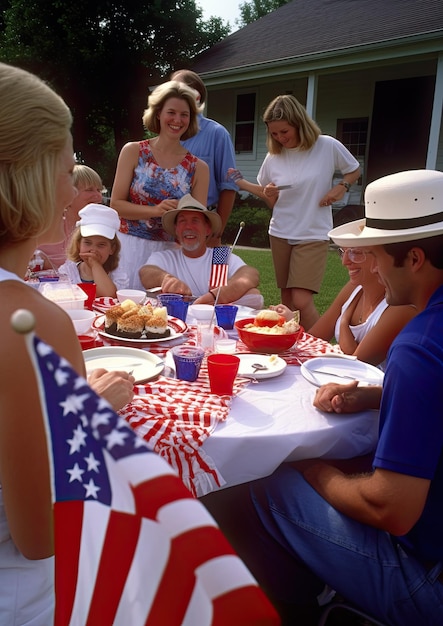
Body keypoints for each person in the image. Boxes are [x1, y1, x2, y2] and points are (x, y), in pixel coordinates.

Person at [201, 169, 443, 625]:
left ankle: (291, 611)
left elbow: (389, 507)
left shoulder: (419, 346)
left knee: (258, 482)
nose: (366, 266)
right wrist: (373, 396)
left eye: (373, 254)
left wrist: (310, 468)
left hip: (426, 583)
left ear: (412, 258)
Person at [0, 62, 134, 623]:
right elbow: (46, 536)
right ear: (27, 174)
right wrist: (91, 411)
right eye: (64, 164)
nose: (72, 191)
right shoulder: (31, 324)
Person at [227, 94, 360, 329]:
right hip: (280, 232)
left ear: (299, 123)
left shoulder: (327, 146)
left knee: (301, 299)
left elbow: (353, 170)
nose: (280, 138)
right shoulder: (274, 156)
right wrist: (268, 194)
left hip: (312, 233)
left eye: (284, 132)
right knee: (287, 301)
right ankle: (293, 349)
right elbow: (271, 201)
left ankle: (320, 347)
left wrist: (342, 187)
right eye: (274, 133)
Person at [110, 80, 209, 290]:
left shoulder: (199, 168)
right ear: (158, 114)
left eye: (184, 114)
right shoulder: (133, 151)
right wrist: (155, 211)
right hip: (129, 247)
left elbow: (197, 221)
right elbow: (116, 205)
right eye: (171, 112)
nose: (177, 120)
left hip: (169, 255)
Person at [270, 245, 417, 368]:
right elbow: (314, 338)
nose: (345, 261)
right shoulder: (354, 287)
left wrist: (344, 321)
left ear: (379, 256)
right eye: (343, 252)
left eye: (356, 253)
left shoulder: (400, 306)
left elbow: (356, 365)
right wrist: (290, 322)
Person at [139, 194, 264, 309]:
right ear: (176, 229)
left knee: (254, 295)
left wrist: (218, 296)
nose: (188, 227)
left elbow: (250, 274)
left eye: (195, 221)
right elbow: (146, 273)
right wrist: (166, 279)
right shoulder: (166, 257)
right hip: (178, 323)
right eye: (182, 221)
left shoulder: (220, 256)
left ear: (208, 229)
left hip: (214, 323)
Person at [170, 69, 237, 246]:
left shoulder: (217, 133)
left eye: (178, 89)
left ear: (197, 97)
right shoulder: (167, 134)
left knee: (212, 273)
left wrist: (217, 230)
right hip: (167, 227)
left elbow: (229, 186)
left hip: (204, 225)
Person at [37, 163, 104, 270]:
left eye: (99, 190)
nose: (98, 196)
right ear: (68, 194)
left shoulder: (102, 230)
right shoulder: (44, 227)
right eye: (89, 190)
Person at [58, 203, 128, 298]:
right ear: (79, 245)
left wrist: (95, 265)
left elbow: (108, 295)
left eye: (101, 245)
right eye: (87, 243)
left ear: (112, 249)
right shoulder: (68, 270)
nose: (93, 250)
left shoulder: (117, 275)